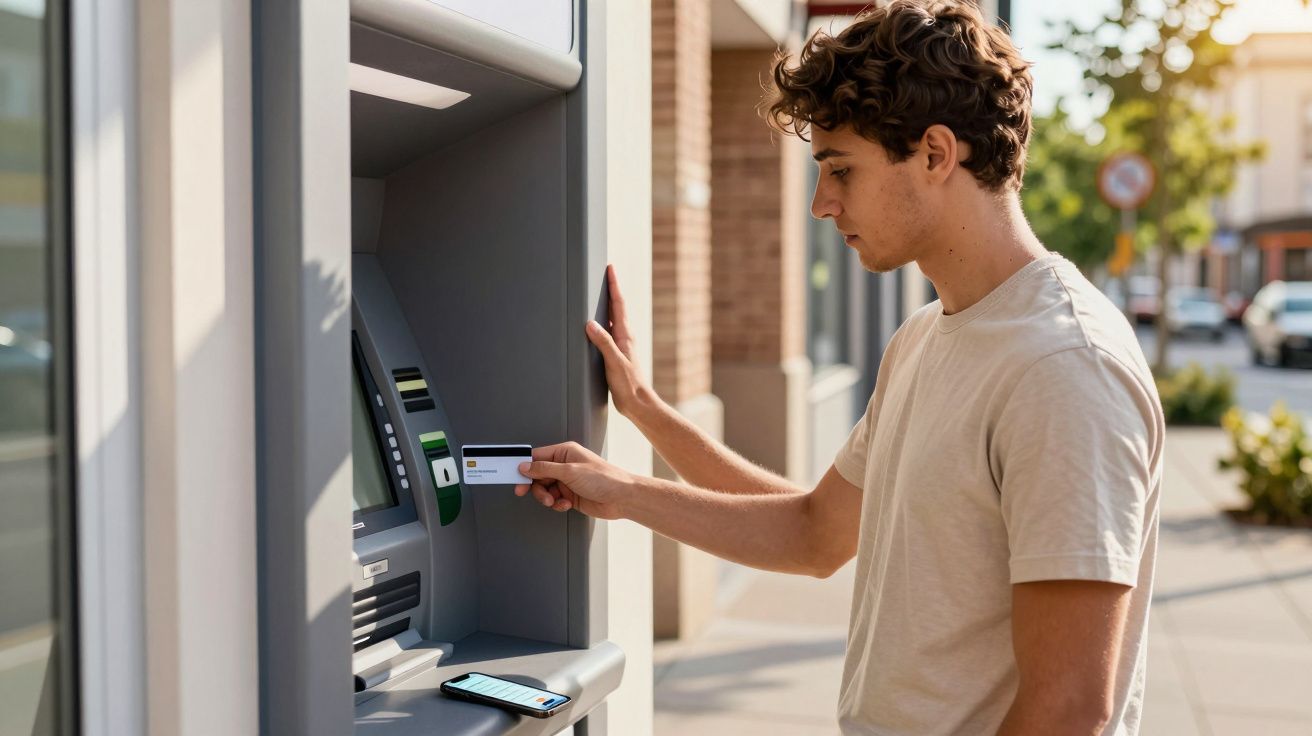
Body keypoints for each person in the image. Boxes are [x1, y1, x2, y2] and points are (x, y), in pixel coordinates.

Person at [514, 1, 1163, 733]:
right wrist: (641, 429)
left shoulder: (1064, 368)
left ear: (936, 154)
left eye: (841, 170)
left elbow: (1068, 710)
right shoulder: (925, 336)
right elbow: (814, 532)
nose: (821, 204)